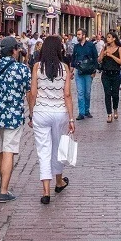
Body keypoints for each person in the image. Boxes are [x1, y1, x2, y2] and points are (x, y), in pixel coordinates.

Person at [0, 36, 32, 203]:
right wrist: (32, 113)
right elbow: (29, 93)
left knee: (0, 150)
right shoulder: (22, 69)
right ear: (14, 51)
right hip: (14, 116)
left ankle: (4, 181)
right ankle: (4, 189)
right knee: (9, 150)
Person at [27, 35, 76, 204]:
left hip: (41, 112)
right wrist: (71, 119)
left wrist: (31, 114)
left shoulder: (37, 67)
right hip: (60, 112)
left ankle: (46, 191)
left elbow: (33, 93)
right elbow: (67, 95)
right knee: (59, 148)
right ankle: (59, 181)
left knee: (44, 151)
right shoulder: (64, 67)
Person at [69, 28, 98, 120]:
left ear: (84, 35)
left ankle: (86, 110)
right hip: (79, 72)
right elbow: (73, 59)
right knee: (80, 92)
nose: (77, 36)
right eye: (77, 34)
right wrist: (71, 71)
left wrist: (94, 71)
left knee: (87, 93)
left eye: (79, 34)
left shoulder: (91, 46)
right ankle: (81, 112)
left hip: (89, 72)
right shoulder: (76, 46)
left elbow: (95, 58)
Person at [98, 31, 121, 122]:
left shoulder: (119, 49)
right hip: (106, 74)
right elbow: (99, 60)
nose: (107, 39)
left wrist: (111, 56)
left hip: (115, 74)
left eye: (109, 37)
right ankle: (109, 114)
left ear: (114, 38)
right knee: (107, 94)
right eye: (107, 37)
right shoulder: (105, 47)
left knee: (115, 94)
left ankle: (115, 109)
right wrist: (103, 51)